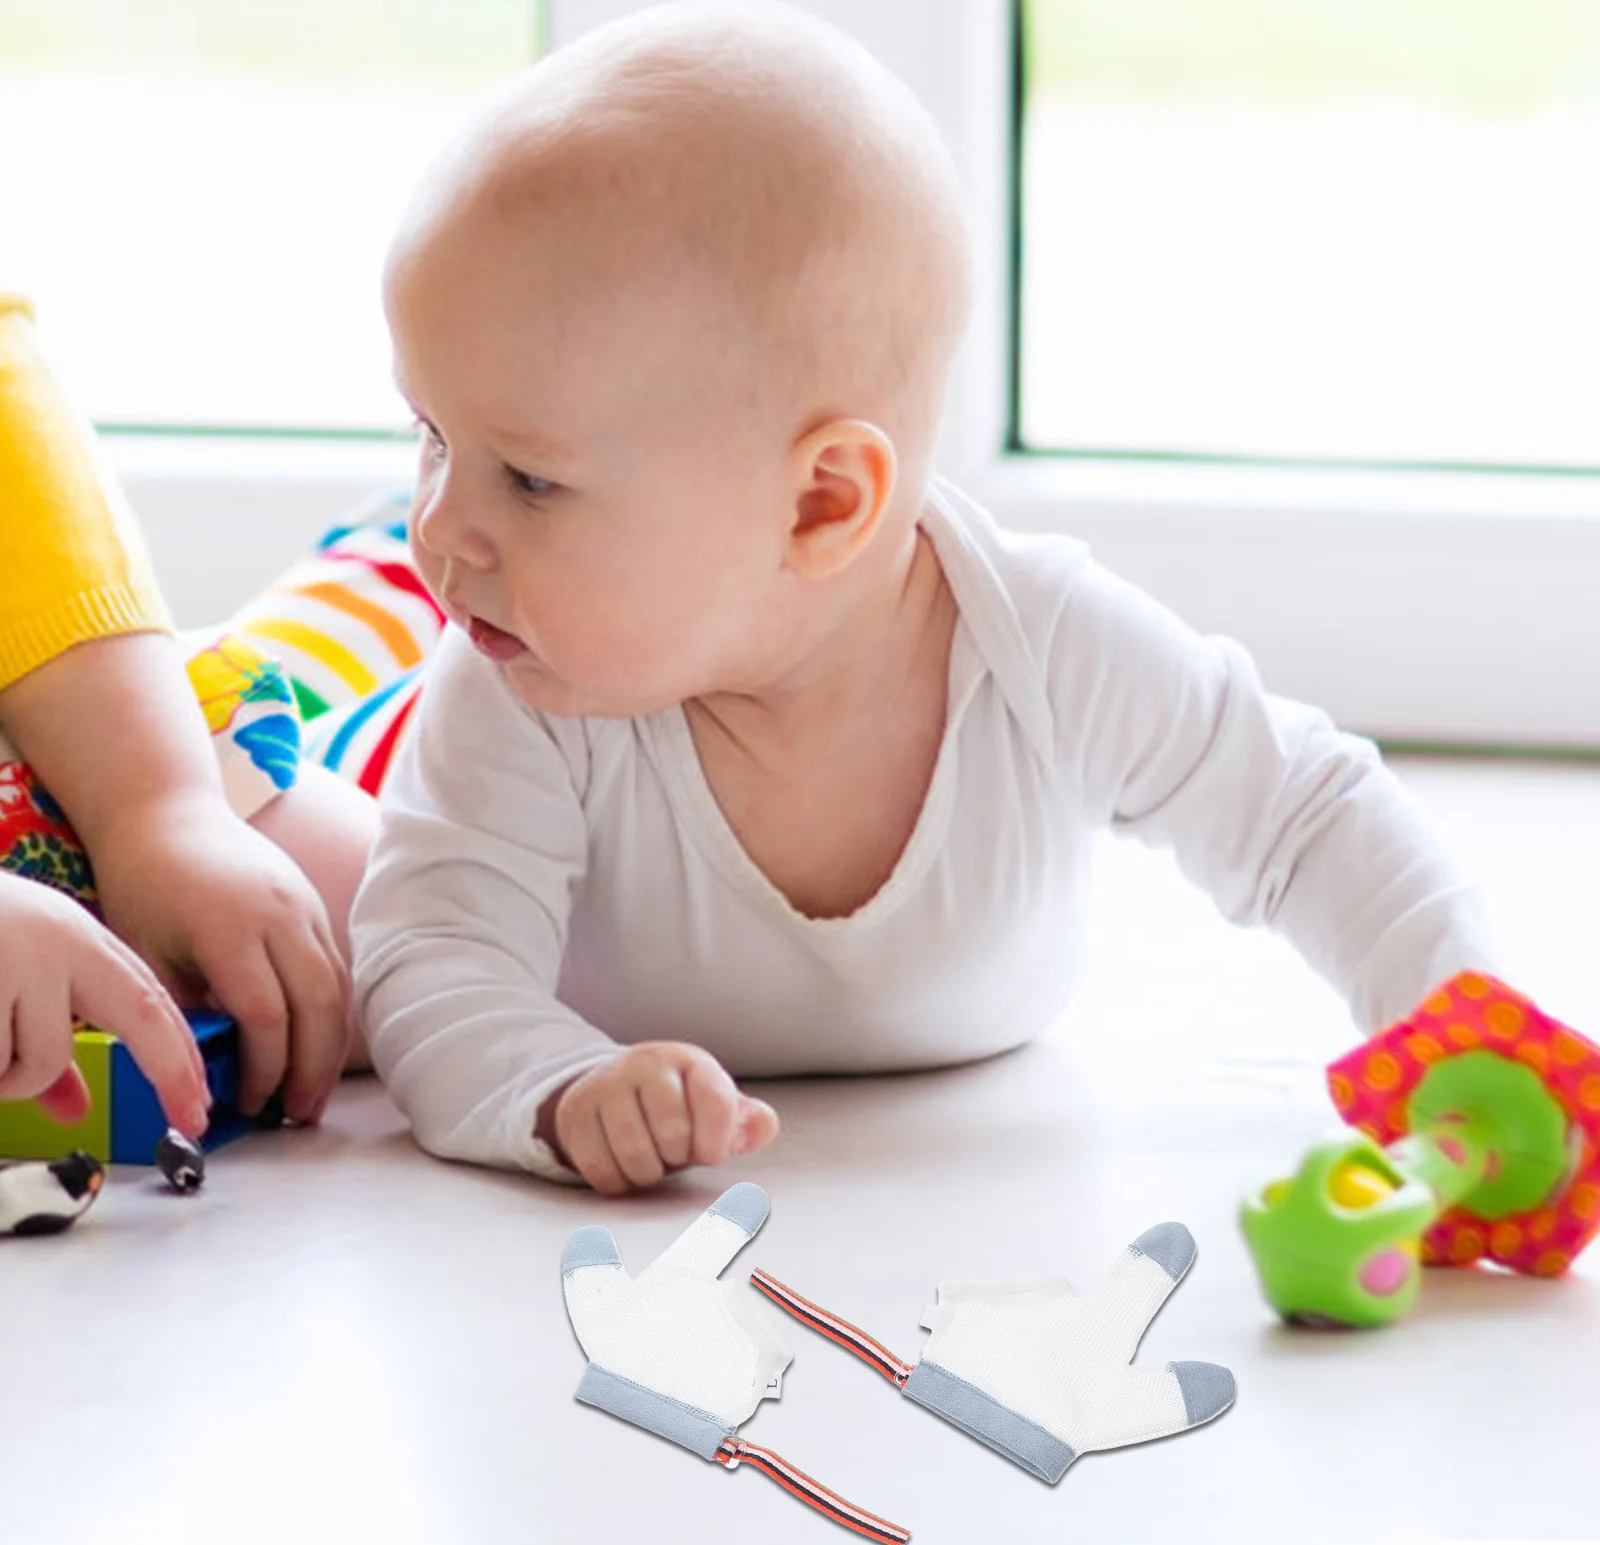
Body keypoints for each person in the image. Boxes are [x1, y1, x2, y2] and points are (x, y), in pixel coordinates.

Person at [351, 3, 1501, 1196]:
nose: (439, 524)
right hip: (383, 762)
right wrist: (557, 1085)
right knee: (318, 861)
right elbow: (429, 958)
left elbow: (1305, 813)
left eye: (530, 479)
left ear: (820, 506)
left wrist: (1459, 1024)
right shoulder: (519, 675)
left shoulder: (1039, 646)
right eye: (429, 435)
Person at [0, 293, 377, 1131]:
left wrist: (158, 815)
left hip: (77, 736)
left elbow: (27, 501)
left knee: (371, 921)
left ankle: (390, 570)